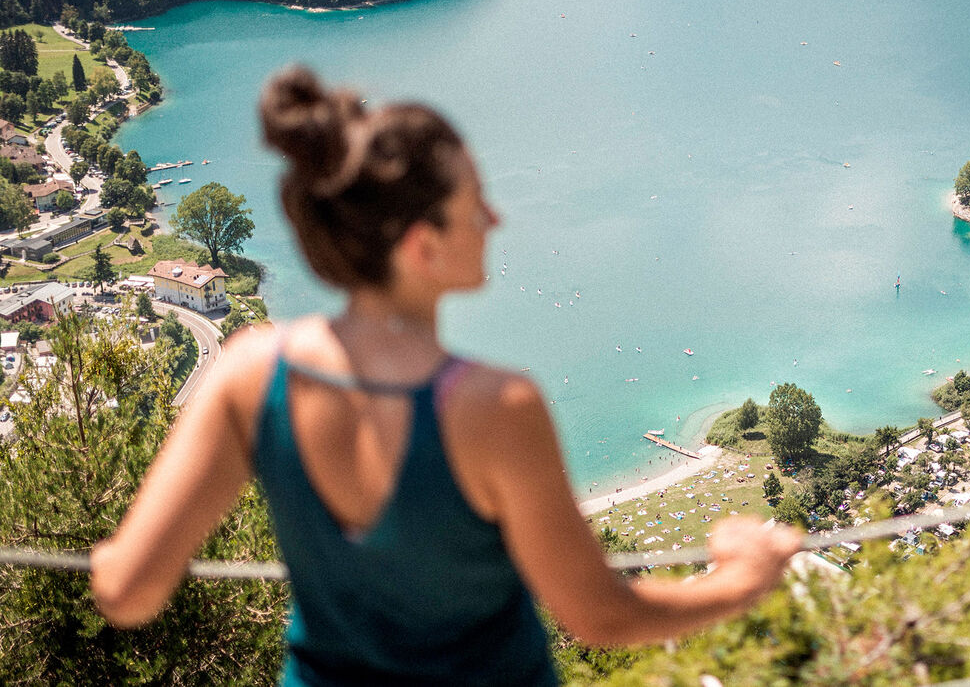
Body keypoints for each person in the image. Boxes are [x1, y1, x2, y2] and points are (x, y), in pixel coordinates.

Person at [91, 67, 800, 684]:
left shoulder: (250, 372)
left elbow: (127, 591)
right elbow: (602, 616)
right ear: (422, 244)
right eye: (475, 205)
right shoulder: (497, 408)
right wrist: (743, 576)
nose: (494, 219)